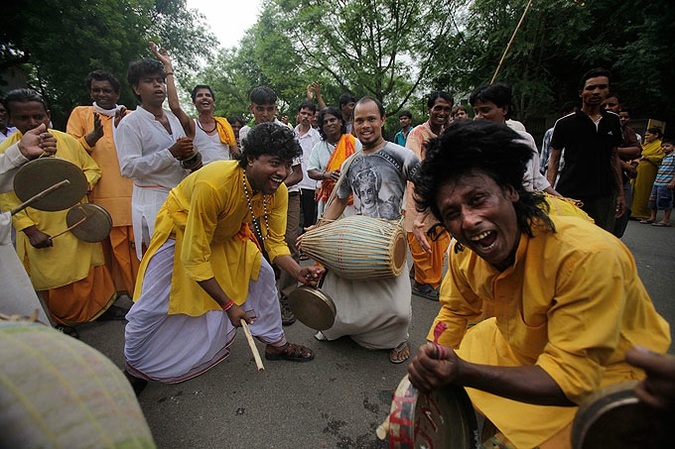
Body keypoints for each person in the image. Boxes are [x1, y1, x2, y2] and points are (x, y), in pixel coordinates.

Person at [407, 120, 670, 448]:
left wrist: (462, 372)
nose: (469, 221)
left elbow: (571, 380)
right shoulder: (463, 255)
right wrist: (430, 358)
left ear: (511, 191)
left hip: (604, 378)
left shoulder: (586, 255)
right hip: (520, 349)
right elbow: (455, 312)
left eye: (477, 199)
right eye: (452, 213)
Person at [124, 123, 322, 394]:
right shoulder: (214, 184)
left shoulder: (278, 191)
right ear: (250, 159)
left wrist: (297, 271)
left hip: (228, 235)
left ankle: (276, 343)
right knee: (154, 304)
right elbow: (195, 258)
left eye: (287, 165)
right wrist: (228, 304)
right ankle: (133, 368)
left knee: (263, 276)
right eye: (274, 163)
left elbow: (275, 242)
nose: (282, 173)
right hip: (180, 234)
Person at [303, 97, 419, 364]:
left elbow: (426, 188)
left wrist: (421, 220)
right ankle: (343, 332)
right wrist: (319, 229)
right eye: (359, 120)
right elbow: (340, 200)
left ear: (382, 121)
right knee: (344, 302)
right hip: (357, 237)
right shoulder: (350, 163)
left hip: (392, 239)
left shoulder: (402, 155)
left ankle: (396, 339)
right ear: (352, 124)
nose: (365, 125)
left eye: (371, 119)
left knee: (398, 310)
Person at [0, 89, 117, 337]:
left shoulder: (67, 141)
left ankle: (100, 310)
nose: (32, 123)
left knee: (92, 273)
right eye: (23, 118)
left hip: (76, 219)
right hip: (42, 227)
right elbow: (6, 199)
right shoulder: (7, 152)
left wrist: (84, 183)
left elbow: (91, 168)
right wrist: (30, 230)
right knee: (54, 280)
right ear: (11, 119)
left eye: (38, 117)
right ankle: (62, 322)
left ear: (48, 115)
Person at [66, 70, 139, 307]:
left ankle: (141, 297)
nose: (101, 94)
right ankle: (114, 300)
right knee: (108, 251)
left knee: (136, 249)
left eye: (107, 90)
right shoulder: (81, 114)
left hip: (132, 195)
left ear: (117, 93)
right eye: (96, 90)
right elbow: (68, 150)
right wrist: (91, 138)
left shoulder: (129, 115)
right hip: (99, 195)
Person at [115, 58, 192, 260]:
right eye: (150, 81)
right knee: (162, 263)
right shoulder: (130, 124)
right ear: (136, 89)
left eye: (160, 80)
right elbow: (128, 168)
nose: (158, 85)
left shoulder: (173, 118)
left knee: (185, 263)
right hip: (153, 203)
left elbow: (177, 158)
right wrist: (170, 153)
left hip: (180, 199)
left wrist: (186, 157)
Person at [238, 86, 303, 326]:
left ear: (276, 109)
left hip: (287, 196)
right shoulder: (245, 132)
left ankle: (288, 300)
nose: (266, 114)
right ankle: (259, 300)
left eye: (270, 109)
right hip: (253, 197)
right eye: (260, 109)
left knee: (286, 243)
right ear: (251, 109)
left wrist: (275, 182)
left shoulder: (287, 131)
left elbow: (296, 173)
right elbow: (245, 168)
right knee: (254, 246)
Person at [547, 68, 625, 231]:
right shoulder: (565, 124)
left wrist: (620, 193)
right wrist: (549, 194)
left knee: (601, 238)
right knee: (568, 235)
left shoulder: (613, 121)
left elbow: (613, 157)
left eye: (602, 87)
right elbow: (553, 160)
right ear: (580, 92)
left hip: (603, 193)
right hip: (570, 191)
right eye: (590, 88)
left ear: (608, 90)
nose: (596, 92)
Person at [150, 42, 238, 165]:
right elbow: (174, 106)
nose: (204, 98)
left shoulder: (224, 126)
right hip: (200, 180)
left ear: (214, 102)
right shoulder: (192, 125)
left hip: (225, 180)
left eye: (208, 95)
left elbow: (236, 155)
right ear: (194, 103)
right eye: (200, 96)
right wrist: (168, 69)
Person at [405, 92, 454, 301]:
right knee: (420, 241)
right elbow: (415, 166)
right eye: (438, 108)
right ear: (429, 110)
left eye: (446, 109)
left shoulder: (447, 136)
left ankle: (420, 275)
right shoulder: (417, 134)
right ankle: (426, 283)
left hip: (441, 199)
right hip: (419, 197)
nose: (442, 113)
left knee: (439, 241)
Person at [470, 83, 559, 196]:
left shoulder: (524, 140)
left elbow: (536, 177)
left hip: (527, 204)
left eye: (485, 110)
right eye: (476, 112)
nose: (479, 116)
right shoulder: (473, 145)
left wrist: (562, 198)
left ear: (504, 109)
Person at [307, 106, 362, 217]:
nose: (329, 124)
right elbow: (311, 171)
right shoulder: (319, 147)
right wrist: (326, 175)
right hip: (329, 199)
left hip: (353, 199)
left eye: (332, 120)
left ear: (340, 122)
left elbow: (364, 166)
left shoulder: (353, 142)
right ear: (322, 127)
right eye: (325, 122)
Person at [601, 93, 642, 237]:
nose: (608, 108)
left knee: (623, 212)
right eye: (604, 105)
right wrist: (625, 164)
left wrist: (614, 151)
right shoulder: (597, 127)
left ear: (619, 106)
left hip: (623, 180)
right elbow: (600, 152)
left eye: (611, 105)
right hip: (601, 179)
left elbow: (636, 150)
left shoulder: (627, 132)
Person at [294, 100, 321, 230]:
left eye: (309, 114)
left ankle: (306, 247)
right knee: (292, 218)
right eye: (303, 113)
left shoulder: (317, 137)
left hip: (309, 184)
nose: (305, 116)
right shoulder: (290, 134)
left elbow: (320, 162)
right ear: (298, 114)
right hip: (293, 184)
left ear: (313, 117)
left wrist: (318, 185)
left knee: (309, 219)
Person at [632, 127, 664, 221]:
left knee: (644, 191)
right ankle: (633, 212)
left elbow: (661, 157)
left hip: (649, 172)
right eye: (645, 135)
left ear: (656, 135)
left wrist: (648, 157)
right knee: (635, 189)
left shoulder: (660, 145)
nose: (646, 137)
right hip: (639, 170)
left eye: (648, 135)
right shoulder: (645, 145)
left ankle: (643, 213)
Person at [539, 101, 578, 178]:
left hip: (569, 174)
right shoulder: (551, 132)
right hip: (551, 173)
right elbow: (544, 156)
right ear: (565, 114)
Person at [643, 137, 674, 226]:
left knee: (666, 201)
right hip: (658, 181)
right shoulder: (664, 157)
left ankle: (666, 220)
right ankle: (653, 218)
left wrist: (672, 182)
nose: (664, 148)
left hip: (666, 182)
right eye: (663, 146)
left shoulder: (673, 156)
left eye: (667, 146)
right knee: (653, 201)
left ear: (673, 147)